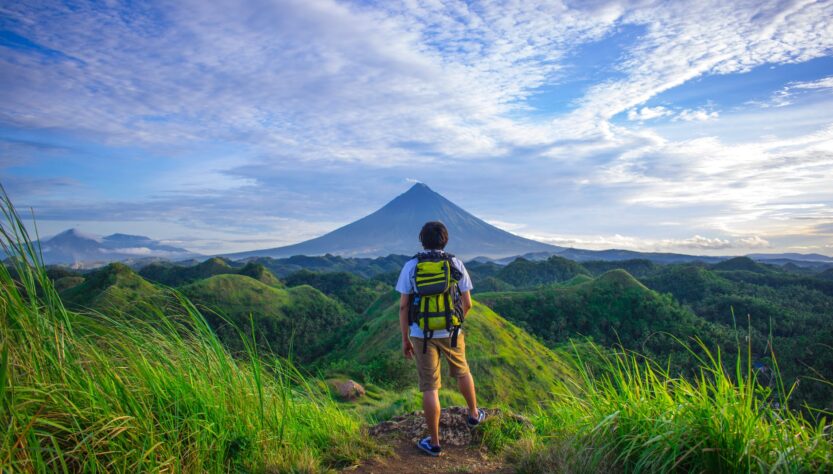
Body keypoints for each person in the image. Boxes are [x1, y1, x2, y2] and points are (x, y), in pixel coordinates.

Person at [395, 221, 485, 457]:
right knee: (463, 371)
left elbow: (404, 306)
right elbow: (468, 303)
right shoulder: (455, 263)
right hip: (452, 332)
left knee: (430, 387)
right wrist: (454, 323)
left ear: (422, 240)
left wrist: (405, 338)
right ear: (445, 240)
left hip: (421, 334)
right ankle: (474, 415)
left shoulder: (411, 265)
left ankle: (434, 443)